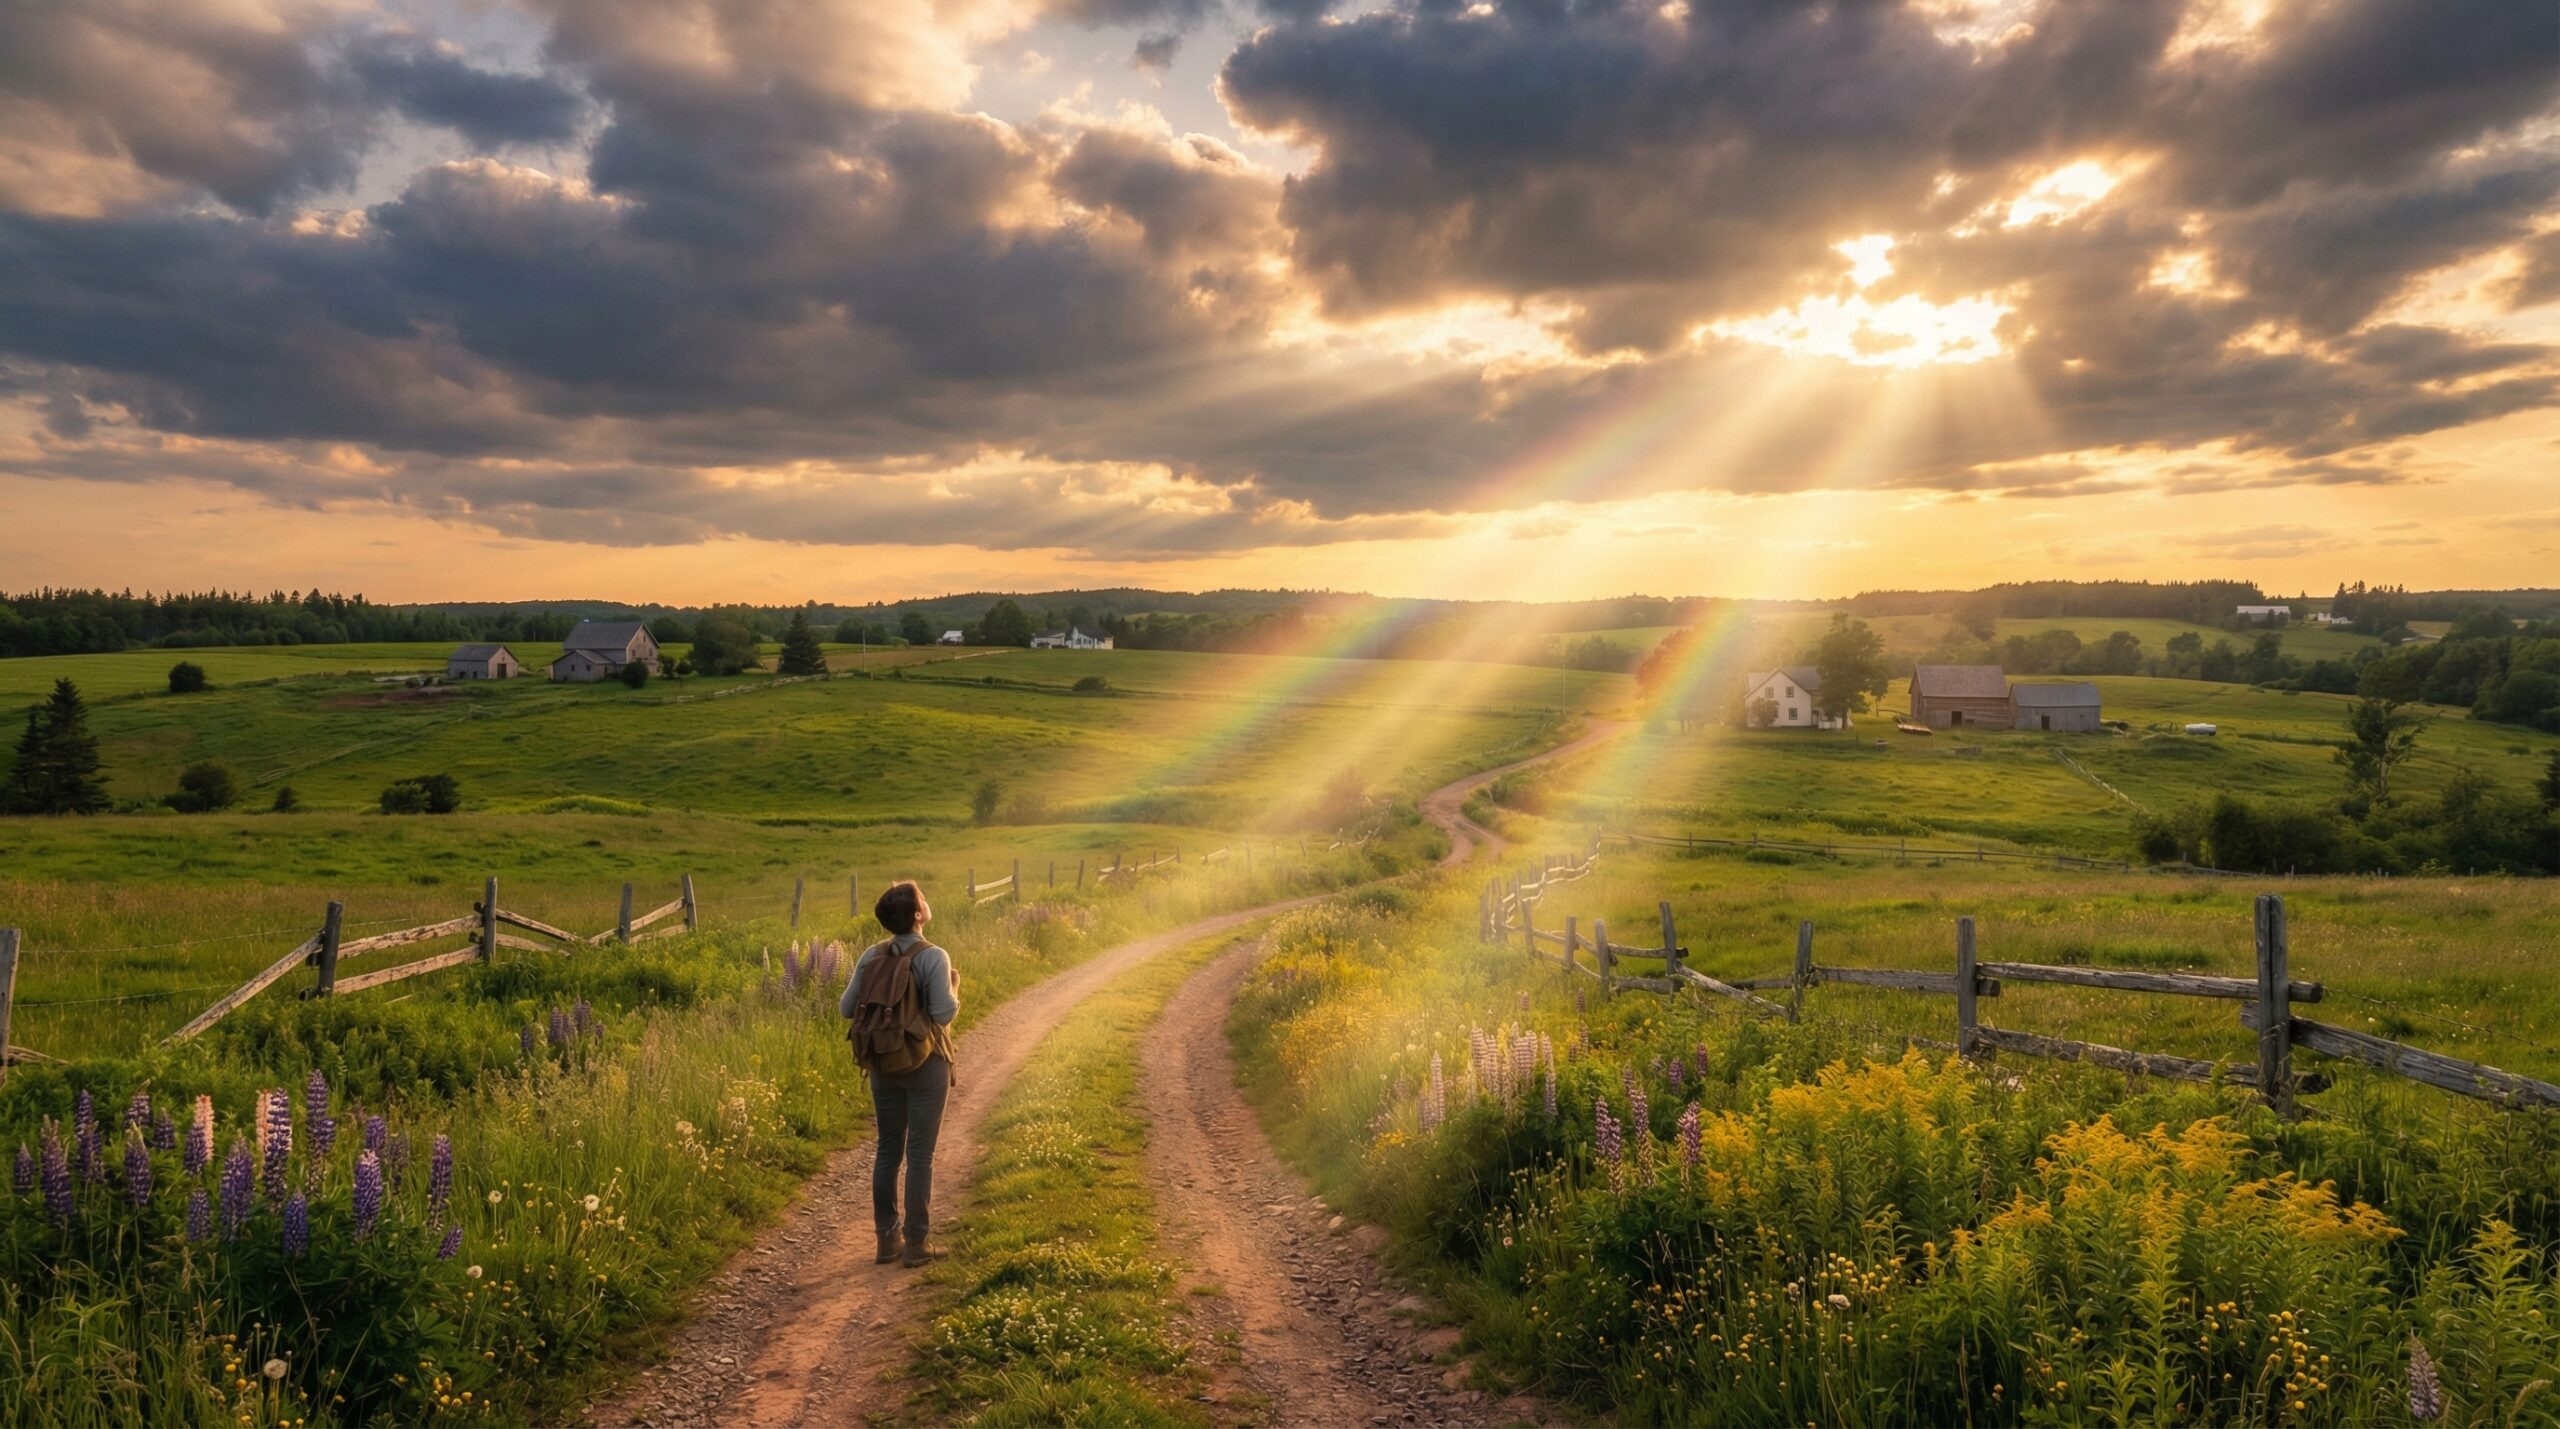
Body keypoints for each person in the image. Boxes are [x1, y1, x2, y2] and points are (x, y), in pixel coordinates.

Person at [841, 879, 959, 1267]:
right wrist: (955, 987)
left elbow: (846, 1008)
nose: (926, 900)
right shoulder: (934, 956)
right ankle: (916, 1244)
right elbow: (942, 1014)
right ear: (917, 915)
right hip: (926, 1065)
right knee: (920, 1155)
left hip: (882, 1064)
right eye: (922, 897)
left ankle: (886, 1240)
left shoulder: (871, 955)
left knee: (887, 1151)